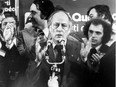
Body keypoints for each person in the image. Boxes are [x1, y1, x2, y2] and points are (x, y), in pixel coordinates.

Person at [80, 18, 113, 87]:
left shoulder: (109, 52)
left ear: (104, 35)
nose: (93, 36)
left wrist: (98, 68)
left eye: (98, 33)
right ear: (87, 31)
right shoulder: (79, 48)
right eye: (91, 32)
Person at [0, 12, 26, 87]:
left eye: (12, 23)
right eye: (5, 24)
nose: (8, 27)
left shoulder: (24, 42)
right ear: (1, 27)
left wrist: (10, 43)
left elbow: (21, 63)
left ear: (17, 26)